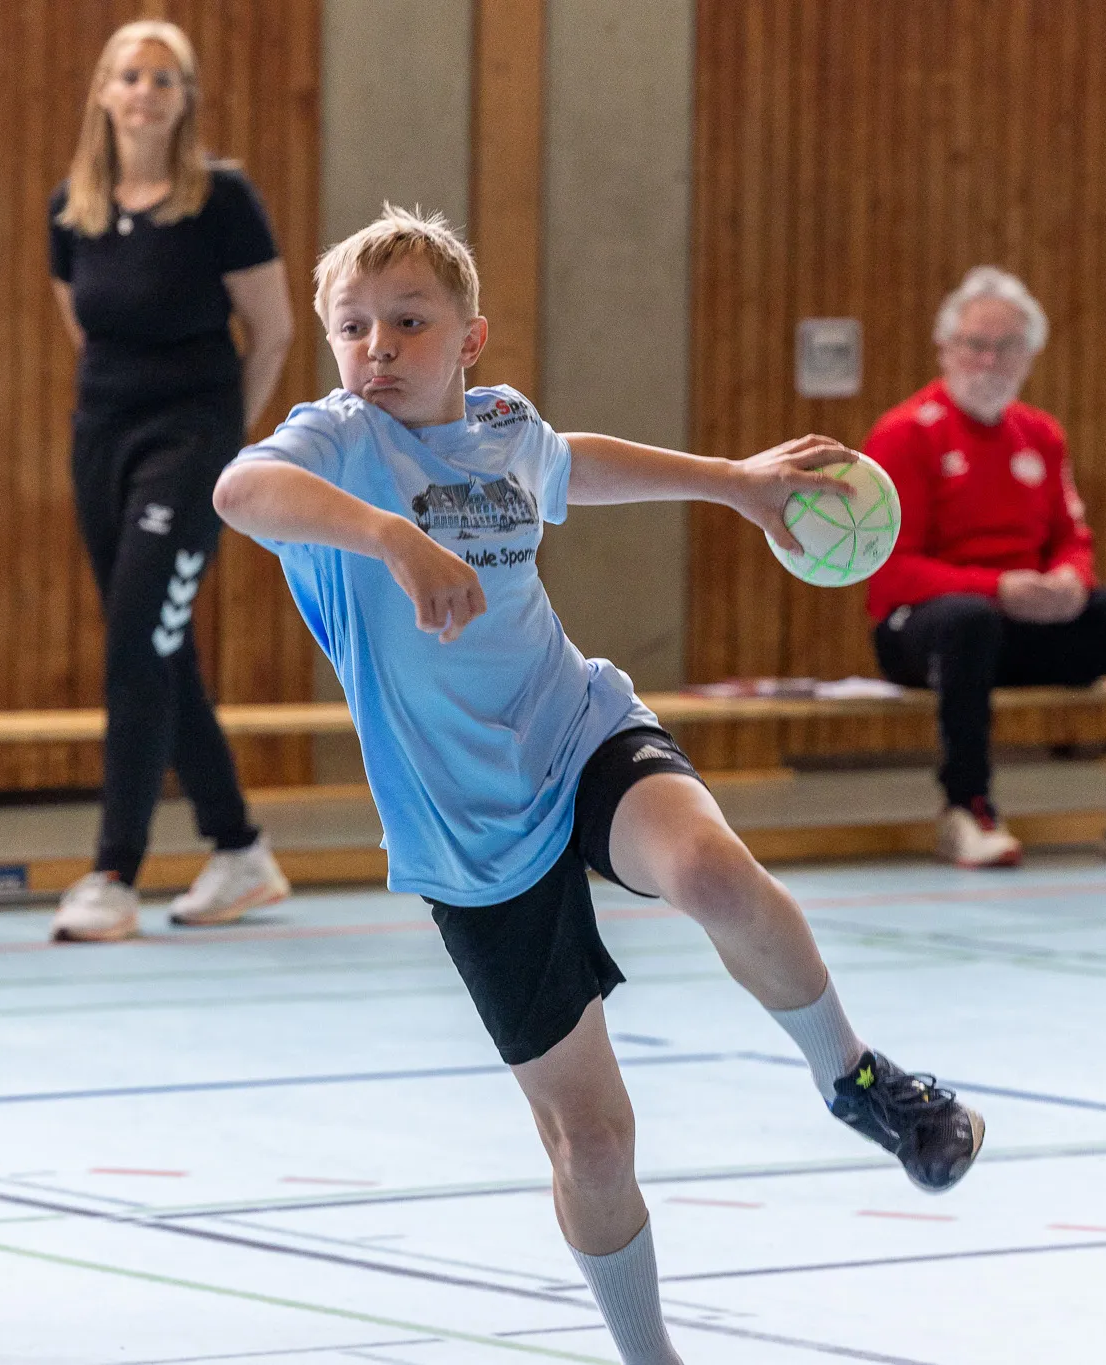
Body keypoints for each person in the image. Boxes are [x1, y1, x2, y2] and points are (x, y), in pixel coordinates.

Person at [212, 207, 983, 1365]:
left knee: (715, 872)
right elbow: (238, 493)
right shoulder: (331, 446)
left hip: (575, 731)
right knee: (593, 1137)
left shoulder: (506, 428)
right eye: (353, 327)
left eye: (409, 324)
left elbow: (572, 462)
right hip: (463, 829)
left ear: (468, 340)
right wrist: (389, 538)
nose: (379, 347)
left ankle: (856, 1078)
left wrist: (733, 484)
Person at [47, 19, 296, 941]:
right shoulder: (70, 210)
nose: (145, 91)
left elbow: (269, 333)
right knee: (156, 641)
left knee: (133, 648)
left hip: (193, 441)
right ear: (105, 92)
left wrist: (228, 440)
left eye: (164, 77)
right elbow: (86, 328)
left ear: (185, 98)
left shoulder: (222, 200)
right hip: (102, 438)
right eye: (129, 75)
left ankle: (114, 873)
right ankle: (239, 848)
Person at [863, 266, 1106, 867]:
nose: (987, 361)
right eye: (973, 345)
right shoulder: (904, 434)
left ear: (1029, 355)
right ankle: (967, 808)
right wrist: (996, 588)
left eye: (1005, 347)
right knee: (966, 621)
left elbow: (1071, 539)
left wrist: (1069, 583)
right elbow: (889, 572)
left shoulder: (1040, 434)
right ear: (946, 350)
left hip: (1024, 627)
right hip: (927, 632)